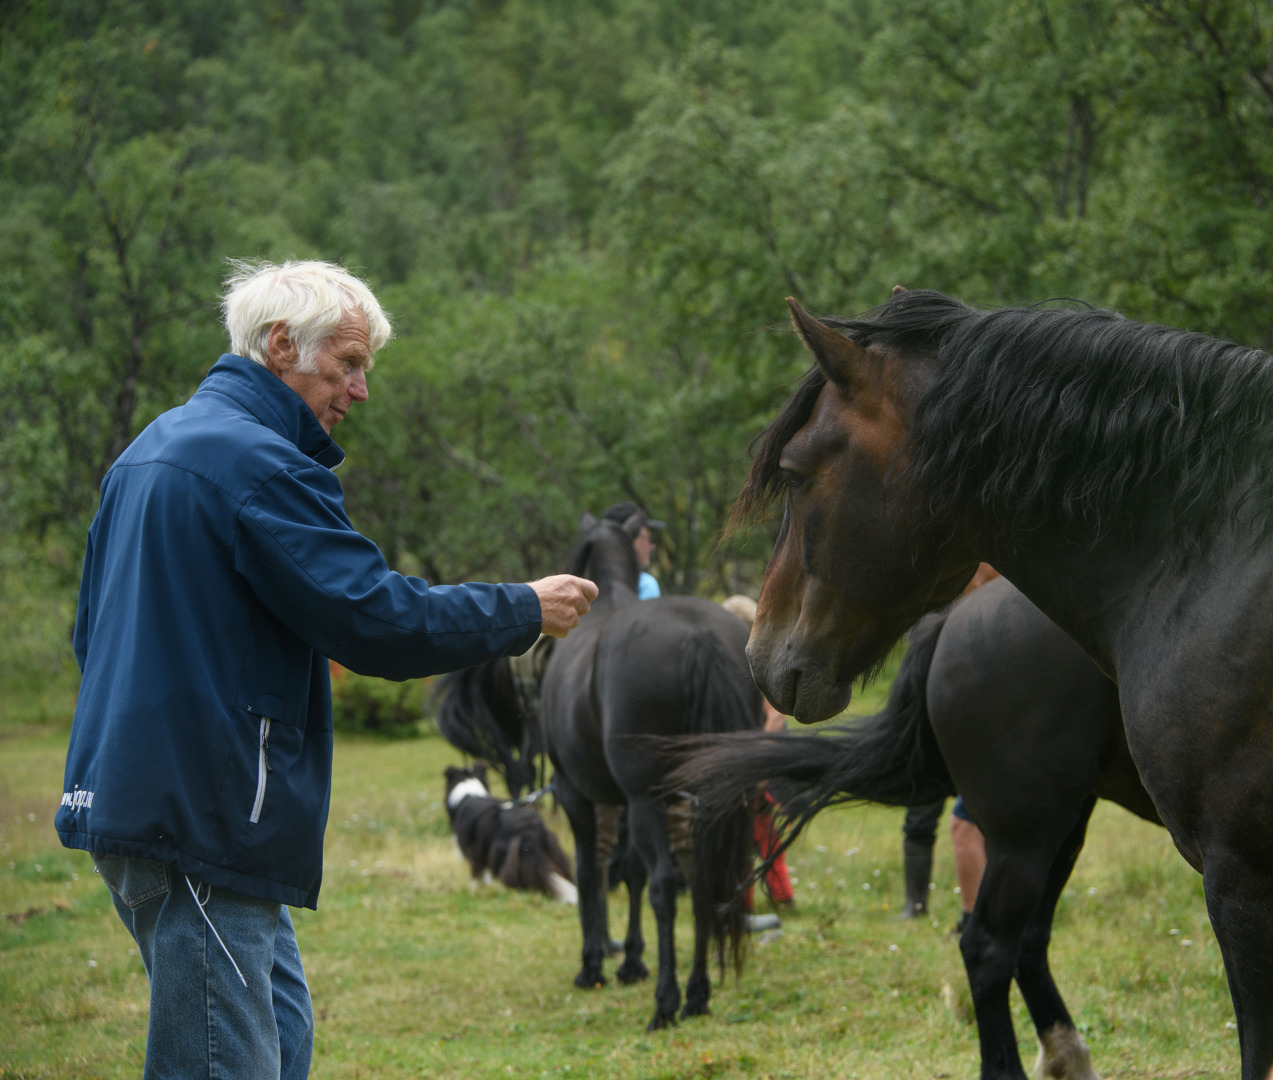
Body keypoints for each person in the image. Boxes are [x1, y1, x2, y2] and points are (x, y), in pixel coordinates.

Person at [54, 259, 598, 1080]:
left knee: (278, 1028)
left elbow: (89, 636)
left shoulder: (146, 452)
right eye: (348, 365)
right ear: (282, 346)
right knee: (223, 1060)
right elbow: (374, 620)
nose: (361, 390)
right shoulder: (256, 464)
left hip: (147, 800)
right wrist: (521, 609)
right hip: (201, 812)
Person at [722, 594, 795, 932]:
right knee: (755, 829)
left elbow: (776, 716)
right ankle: (772, 897)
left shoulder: (756, 660)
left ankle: (763, 898)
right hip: (749, 758)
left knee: (758, 827)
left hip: (761, 760)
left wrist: (759, 765)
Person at [601, 500, 665, 598]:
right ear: (629, 540)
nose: (652, 546)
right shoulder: (645, 585)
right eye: (648, 538)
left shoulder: (583, 582)